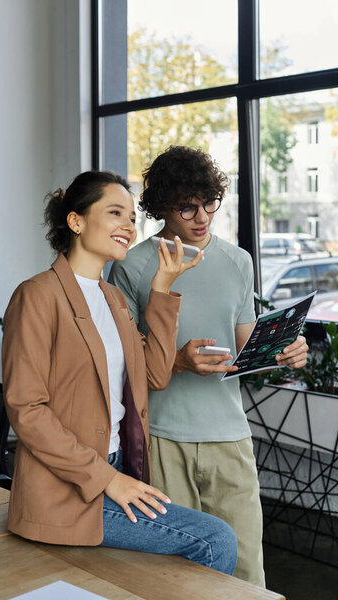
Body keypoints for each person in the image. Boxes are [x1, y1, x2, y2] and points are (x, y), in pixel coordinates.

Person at [1, 170, 238, 575]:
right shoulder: (37, 295)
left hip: (121, 468)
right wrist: (106, 479)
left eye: (131, 217)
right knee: (214, 539)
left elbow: (155, 375)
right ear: (76, 221)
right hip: (70, 490)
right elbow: (27, 410)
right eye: (115, 213)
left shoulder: (113, 299)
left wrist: (161, 289)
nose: (128, 226)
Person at [109, 147, 309, 587]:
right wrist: (177, 362)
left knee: (246, 570)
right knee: (178, 573)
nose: (202, 217)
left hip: (229, 437)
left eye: (209, 202)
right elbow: (119, 360)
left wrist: (286, 351)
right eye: (187, 207)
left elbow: (245, 352)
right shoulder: (132, 265)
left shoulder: (238, 261)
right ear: (160, 208)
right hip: (163, 438)